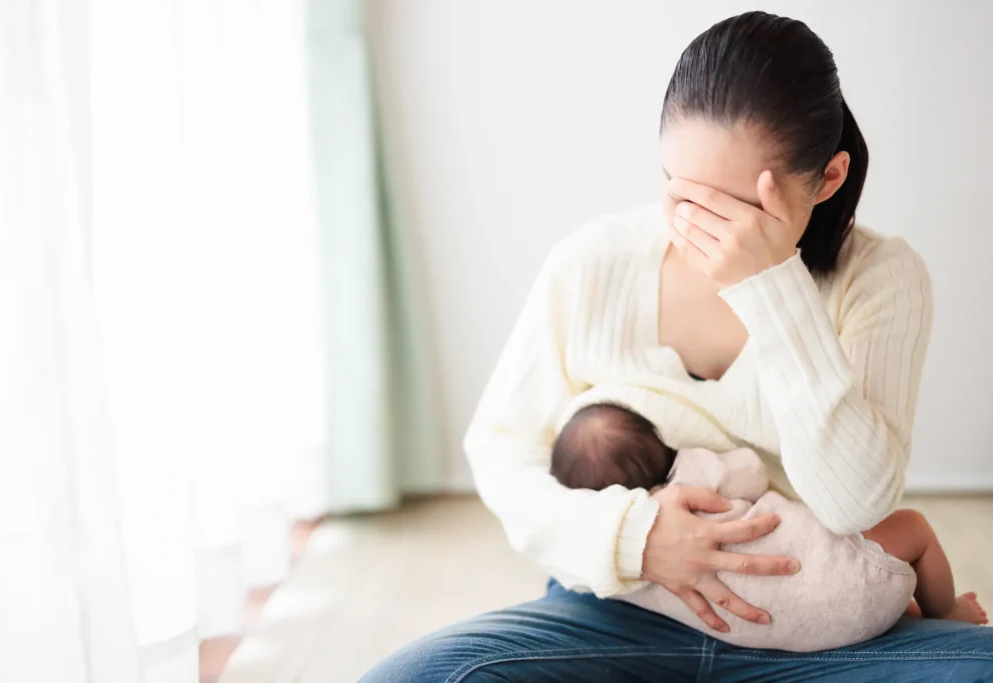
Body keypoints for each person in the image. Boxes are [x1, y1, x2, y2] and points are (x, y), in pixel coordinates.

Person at [363, 11, 993, 682]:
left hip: (821, 625)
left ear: (828, 178)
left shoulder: (881, 279)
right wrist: (633, 539)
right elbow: (500, 452)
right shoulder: (592, 262)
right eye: (678, 189)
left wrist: (772, 288)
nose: (699, 226)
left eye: (734, 207)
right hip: (623, 612)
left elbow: (855, 504)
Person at [550, 400, 987, 651]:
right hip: (848, 580)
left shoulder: (626, 568)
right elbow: (752, 472)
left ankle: (902, 610)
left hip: (792, 629)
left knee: (847, 586)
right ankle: (944, 612)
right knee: (913, 527)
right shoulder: (693, 475)